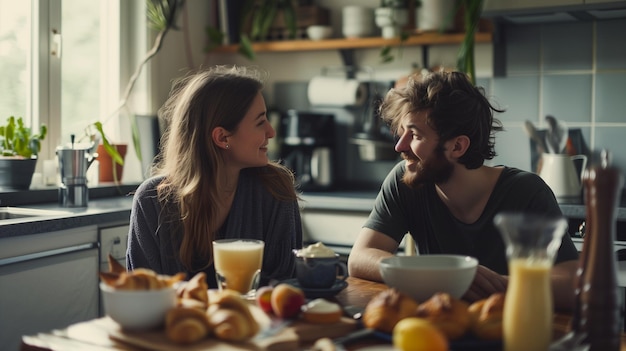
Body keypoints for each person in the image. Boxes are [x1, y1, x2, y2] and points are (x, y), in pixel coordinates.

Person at [347, 71, 579, 311]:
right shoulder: (405, 179)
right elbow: (360, 258)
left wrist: (502, 285)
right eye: (402, 131)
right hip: (439, 328)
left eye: (414, 134)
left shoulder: (526, 191)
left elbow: (572, 284)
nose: (400, 146)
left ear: (457, 146)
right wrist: (441, 275)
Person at [126, 65, 303, 287]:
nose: (271, 132)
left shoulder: (275, 189)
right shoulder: (151, 201)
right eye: (260, 122)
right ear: (222, 137)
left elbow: (284, 285)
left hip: (258, 321)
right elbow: (142, 291)